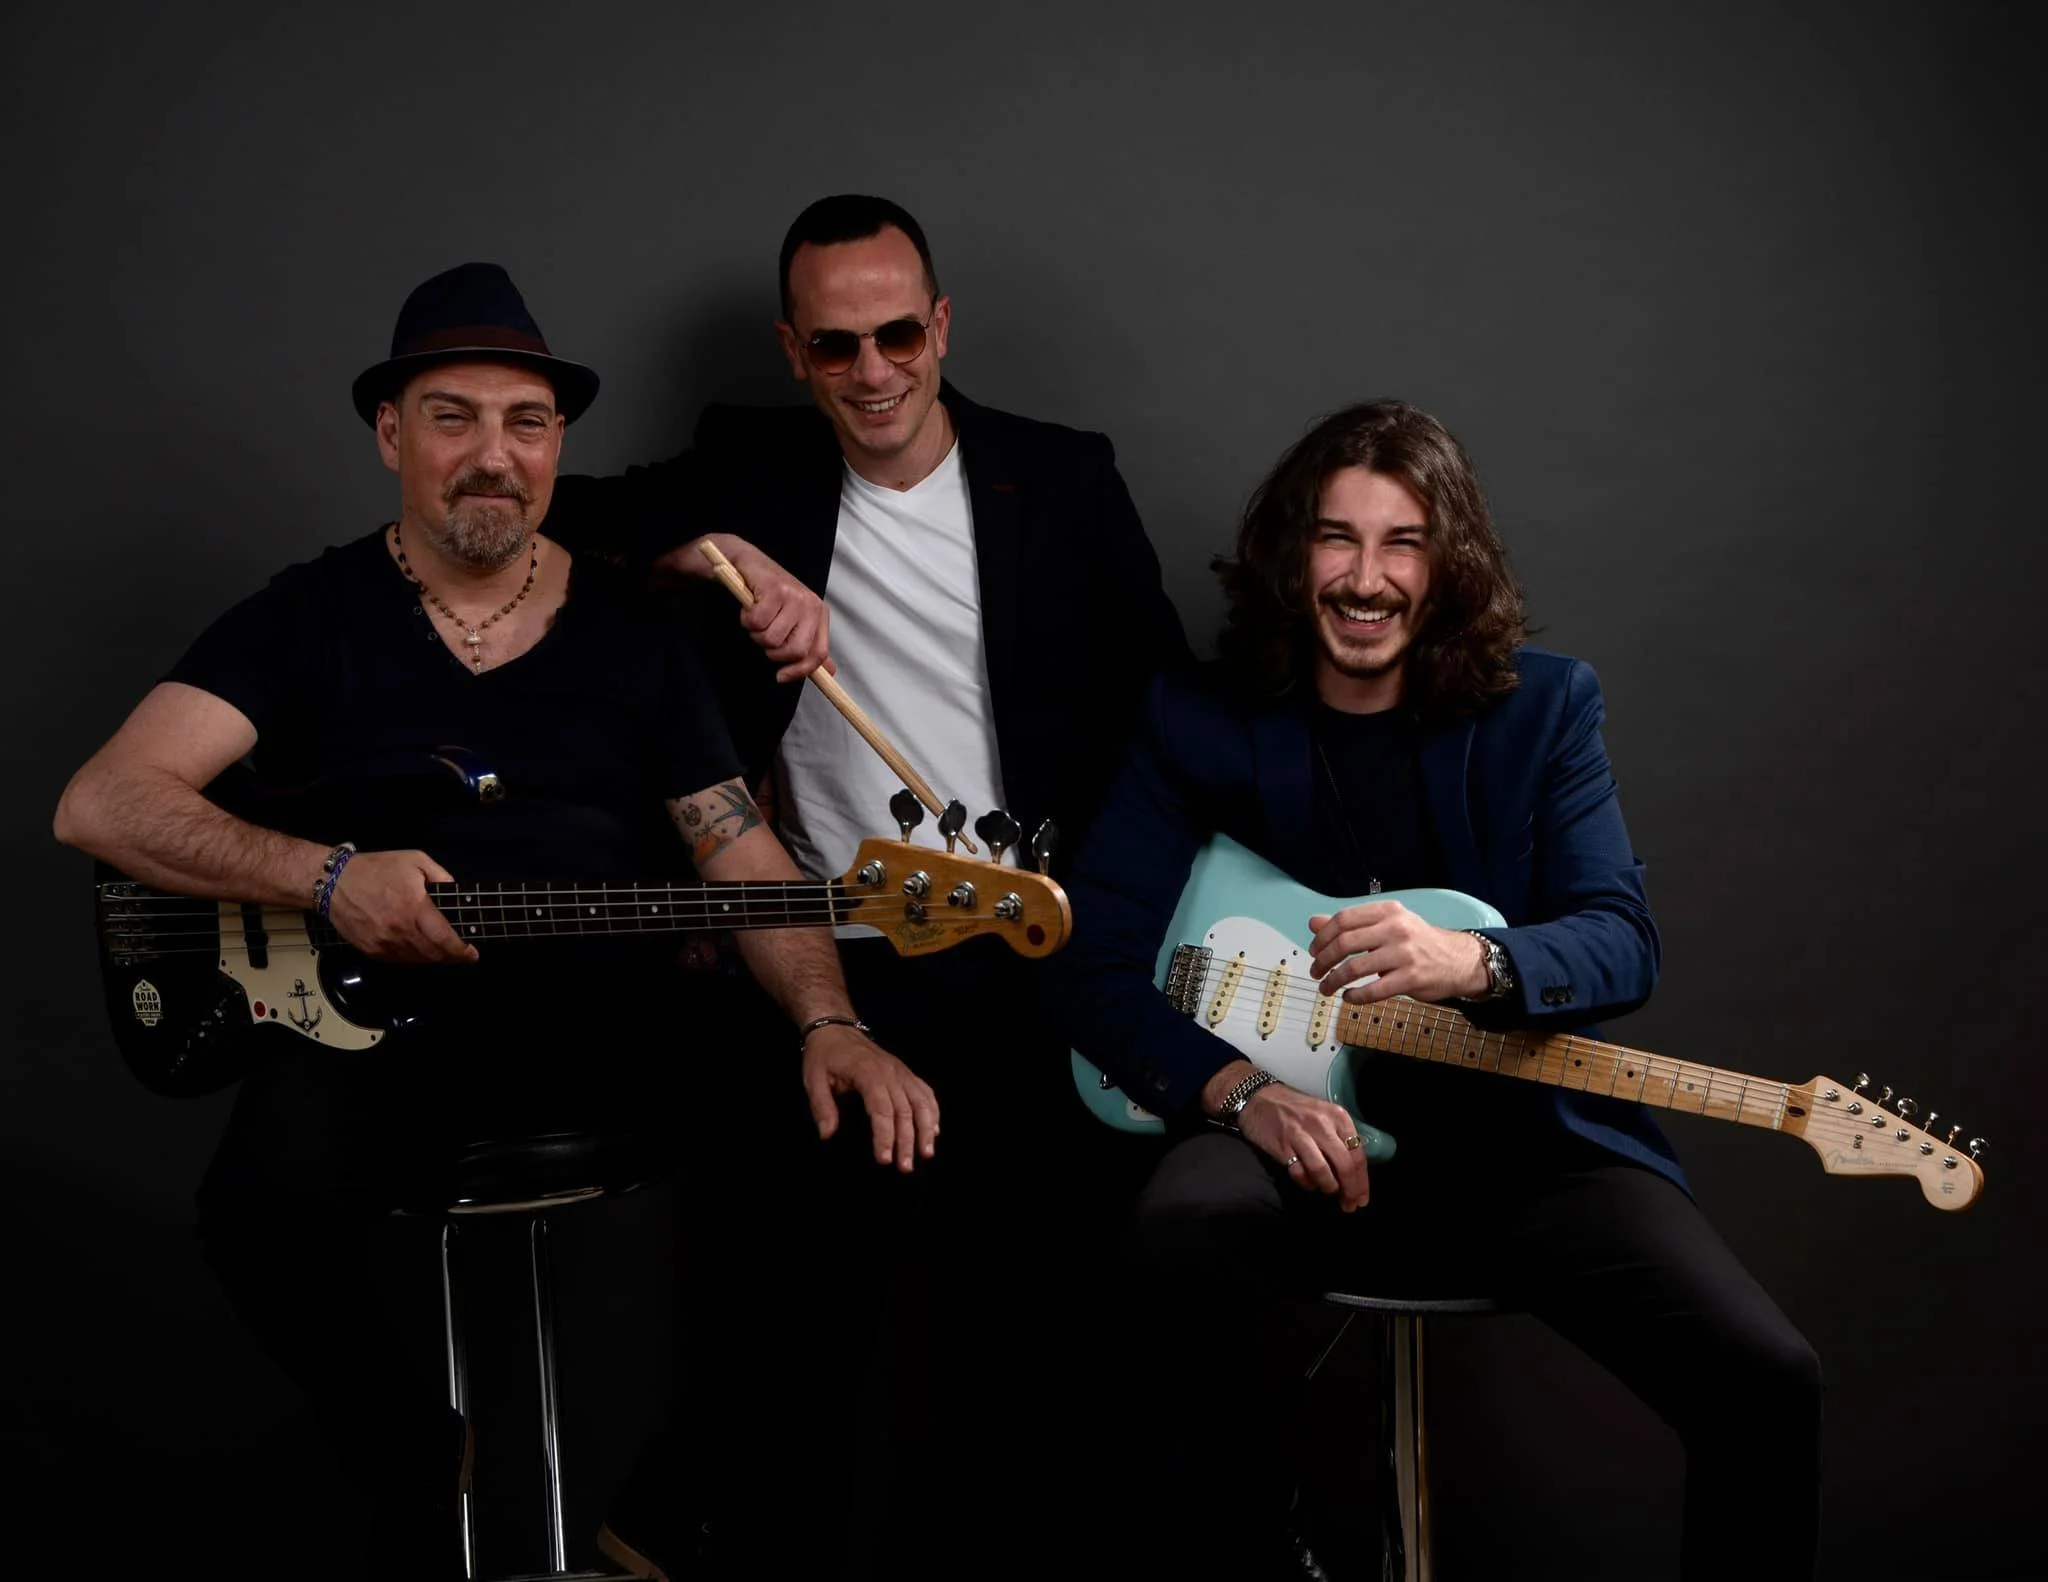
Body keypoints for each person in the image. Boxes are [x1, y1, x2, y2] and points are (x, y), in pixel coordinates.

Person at [51, 261, 935, 1581]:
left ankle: (673, 1510)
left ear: (558, 443)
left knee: (856, 1136)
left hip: (604, 1012)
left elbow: (733, 842)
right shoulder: (308, 618)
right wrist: (326, 874)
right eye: (453, 417)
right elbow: (101, 802)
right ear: (391, 433)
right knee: (256, 1212)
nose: (492, 455)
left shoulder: (637, 628)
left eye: (526, 422)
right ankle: (410, 1447)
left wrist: (830, 1019)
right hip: (373, 1024)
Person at [1054, 400, 1822, 1580]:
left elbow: (1623, 942)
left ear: (1445, 560)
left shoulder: (1544, 708)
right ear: (1288, 555)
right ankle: (1261, 1539)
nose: (1365, 579)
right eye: (1335, 539)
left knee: (1766, 1378)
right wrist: (1234, 1090)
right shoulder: (1193, 716)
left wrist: (1474, 960)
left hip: (1512, 1146)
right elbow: (1088, 958)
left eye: (1400, 542)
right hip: (1288, 1138)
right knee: (1172, 1235)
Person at [542, 194, 1190, 1574]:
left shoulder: (1061, 476)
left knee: (1014, 1318)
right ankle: (704, 1524)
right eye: (838, 346)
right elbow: (576, 516)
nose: (876, 370)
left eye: (900, 333)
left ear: (942, 324)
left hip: (1028, 937)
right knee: (805, 1293)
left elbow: (1161, 706)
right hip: (832, 937)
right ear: (794, 350)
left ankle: (671, 1518)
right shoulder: (751, 466)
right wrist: (723, 556)